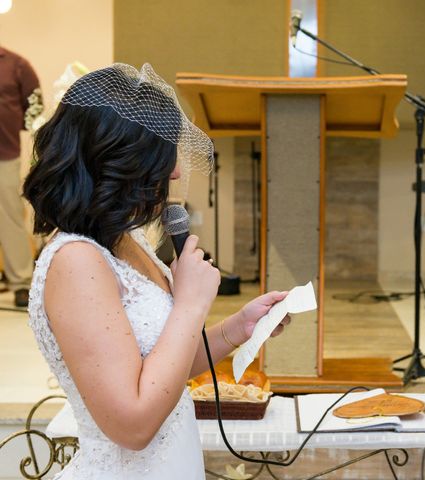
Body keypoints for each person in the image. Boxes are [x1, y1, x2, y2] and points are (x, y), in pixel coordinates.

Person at [22, 63, 291, 479]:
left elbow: (160, 367)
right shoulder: (75, 261)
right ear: (117, 161)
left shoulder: (128, 242)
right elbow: (132, 425)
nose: (177, 172)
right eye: (161, 158)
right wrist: (189, 303)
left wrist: (237, 328)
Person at [0, 45, 42, 307]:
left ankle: (21, 283)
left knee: (9, 216)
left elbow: (34, 110)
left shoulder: (17, 65)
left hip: (4, 153)